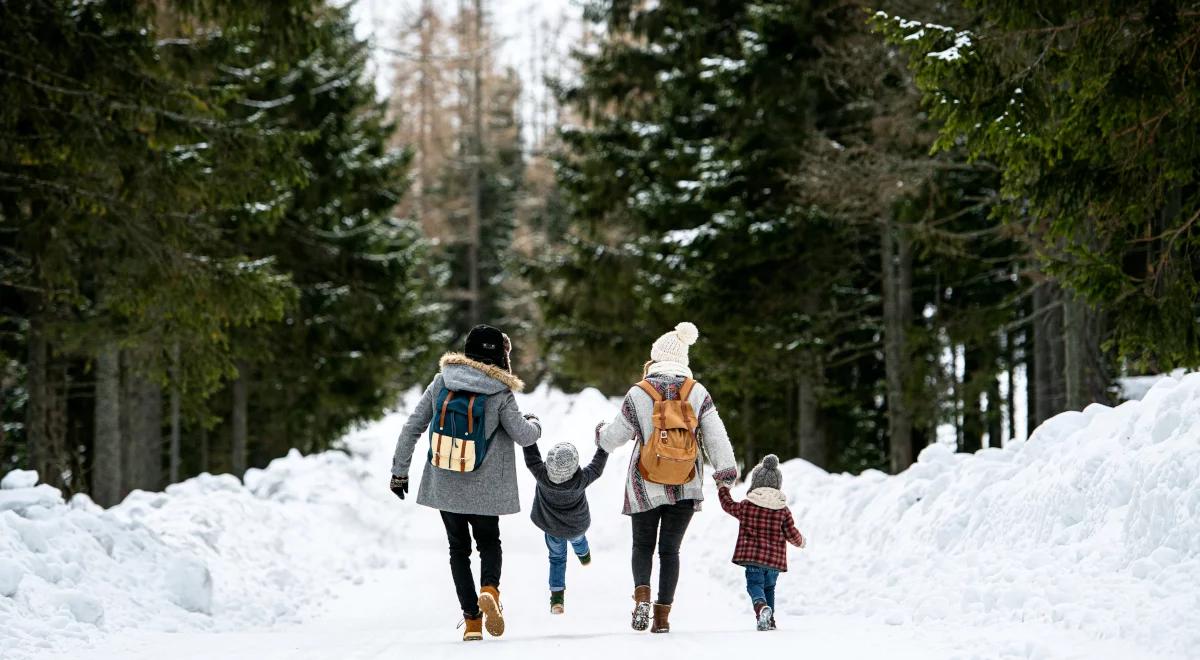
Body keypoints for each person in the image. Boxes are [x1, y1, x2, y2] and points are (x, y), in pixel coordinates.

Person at [389, 324, 542, 642]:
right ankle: (490, 590)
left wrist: (399, 472)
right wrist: (535, 422)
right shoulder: (500, 391)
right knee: (489, 543)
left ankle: (472, 621)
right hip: (486, 488)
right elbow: (524, 435)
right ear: (499, 355)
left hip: (446, 482)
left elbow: (412, 427)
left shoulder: (442, 381)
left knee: (458, 549)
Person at [597, 321, 738, 633]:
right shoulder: (697, 392)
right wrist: (725, 476)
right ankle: (662, 618)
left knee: (642, 546)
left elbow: (614, 437)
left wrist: (600, 434)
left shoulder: (639, 392)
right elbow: (716, 438)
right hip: (686, 483)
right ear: (683, 360)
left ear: (656, 358)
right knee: (670, 551)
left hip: (644, 483)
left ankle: (641, 599)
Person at [716, 454, 806, 631]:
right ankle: (769, 620)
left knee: (755, 586)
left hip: (754, 559)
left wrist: (722, 488)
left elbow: (728, 505)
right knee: (769, 588)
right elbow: (791, 533)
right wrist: (801, 541)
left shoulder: (747, 506)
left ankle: (761, 608)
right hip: (774, 562)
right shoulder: (783, 510)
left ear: (755, 483)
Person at [521, 438, 609, 614]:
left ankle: (557, 599)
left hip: (553, 529)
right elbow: (596, 468)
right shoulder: (581, 480)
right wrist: (603, 446)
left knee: (557, 559)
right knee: (579, 541)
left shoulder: (541, 475)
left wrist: (529, 433)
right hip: (577, 527)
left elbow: (532, 457)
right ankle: (584, 556)